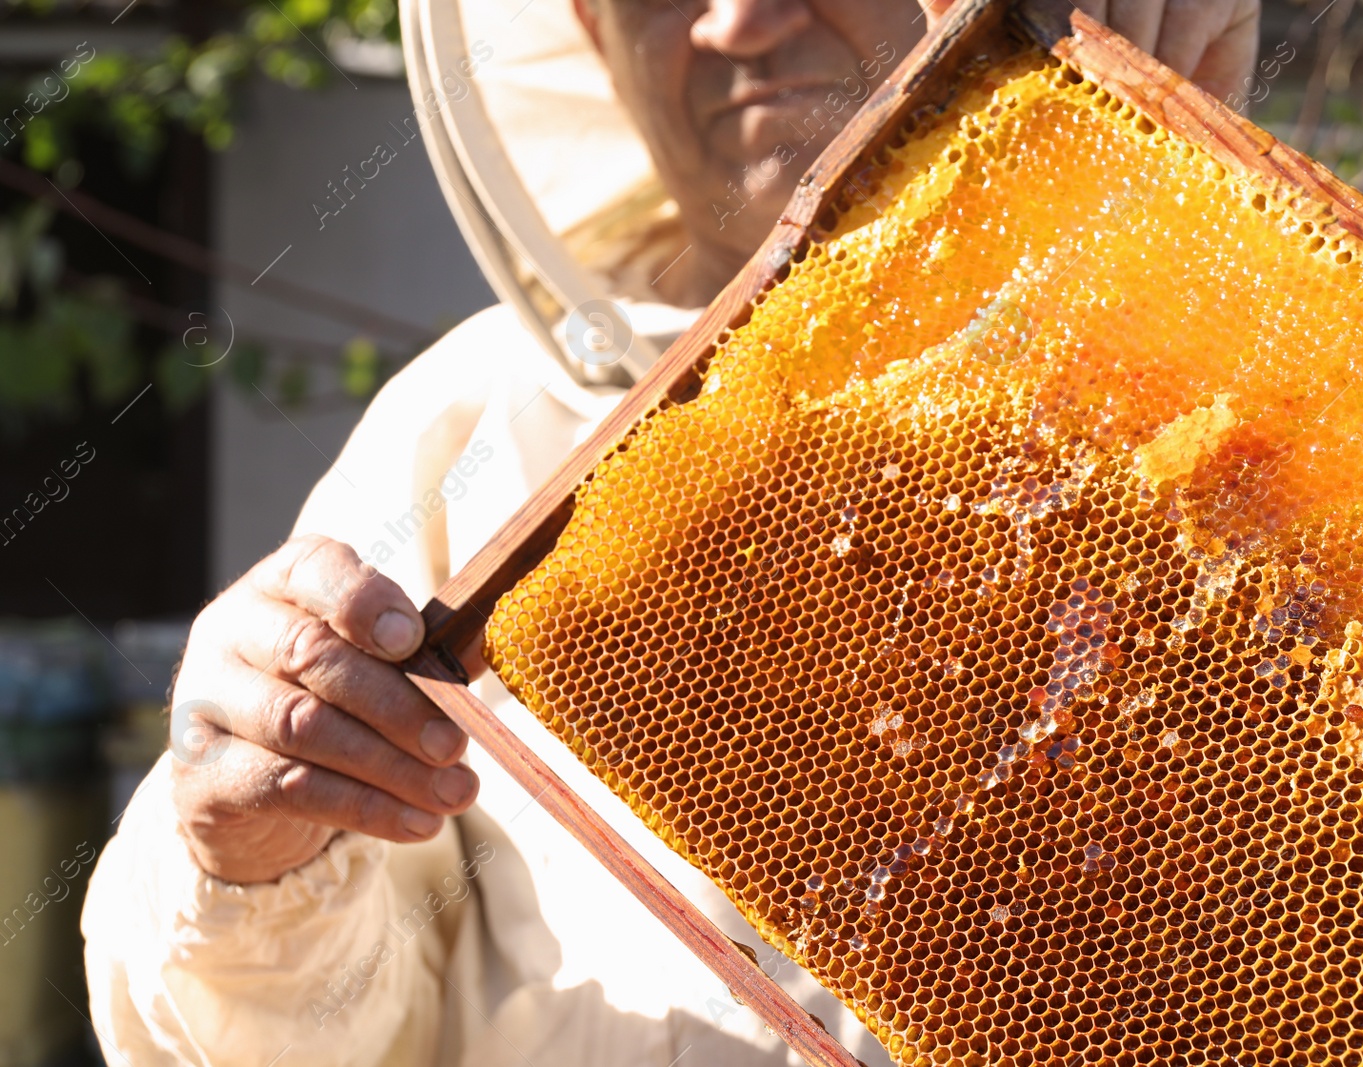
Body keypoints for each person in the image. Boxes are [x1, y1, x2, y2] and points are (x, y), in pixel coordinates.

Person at [81, 0, 1260, 1063]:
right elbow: (284, 1039)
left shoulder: (1245, 363)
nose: (738, 22)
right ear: (589, 27)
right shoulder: (470, 435)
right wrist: (246, 860)